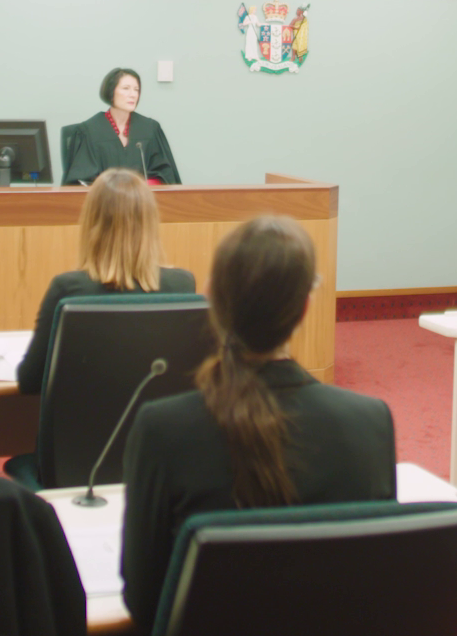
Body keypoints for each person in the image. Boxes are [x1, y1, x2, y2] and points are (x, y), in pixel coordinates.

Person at [119, 215, 395, 623]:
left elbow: (144, 601)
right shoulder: (371, 423)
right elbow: (378, 582)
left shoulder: (162, 429)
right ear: (304, 309)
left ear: (212, 298)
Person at [15, 168, 197, 394]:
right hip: (158, 428)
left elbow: (30, 380)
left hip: (81, 428)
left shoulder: (68, 289)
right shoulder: (182, 285)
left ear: (91, 224)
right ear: (151, 223)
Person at [61, 67, 180, 185]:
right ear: (111, 92)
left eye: (136, 90)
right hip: (104, 201)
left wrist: (142, 186)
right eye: (126, 88)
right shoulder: (89, 131)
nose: (133, 95)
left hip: (143, 200)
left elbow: (166, 175)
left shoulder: (150, 128)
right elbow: (79, 180)